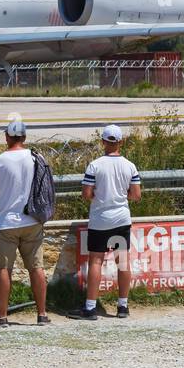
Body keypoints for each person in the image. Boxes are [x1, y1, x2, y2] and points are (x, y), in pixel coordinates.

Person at [69, 124, 140, 321]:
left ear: (103, 142)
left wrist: (100, 196)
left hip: (100, 220)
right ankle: (123, 306)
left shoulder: (95, 165)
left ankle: (90, 307)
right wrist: (120, 194)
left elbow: (86, 194)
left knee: (96, 261)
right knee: (123, 261)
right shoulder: (129, 165)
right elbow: (136, 195)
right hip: (121, 218)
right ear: (120, 142)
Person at [0, 120, 50, 326]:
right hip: (33, 220)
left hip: (7, 222)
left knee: (4, 269)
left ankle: (2, 315)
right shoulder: (36, 158)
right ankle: (42, 314)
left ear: (8, 137)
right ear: (24, 137)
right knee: (36, 268)